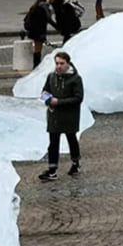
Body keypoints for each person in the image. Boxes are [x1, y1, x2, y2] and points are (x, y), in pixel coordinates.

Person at [38, 51, 83, 180]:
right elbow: (45, 90)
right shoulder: (51, 77)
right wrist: (46, 98)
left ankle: (75, 163)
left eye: (62, 63)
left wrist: (59, 102)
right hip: (54, 115)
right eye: (57, 63)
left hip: (69, 116)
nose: (59, 66)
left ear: (68, 64)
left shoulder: (75, 79)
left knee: (71, 139)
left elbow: (78, 98)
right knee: (53, 142)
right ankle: (52, 170)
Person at [23, 0, 51, 67]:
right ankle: (36, 65)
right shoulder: (42, 8)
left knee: (37, 48)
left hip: (33, 31)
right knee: (38, 49)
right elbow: (43, 22)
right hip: (38, 32)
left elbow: (26, 19)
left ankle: (36, 64)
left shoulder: (34, 7)